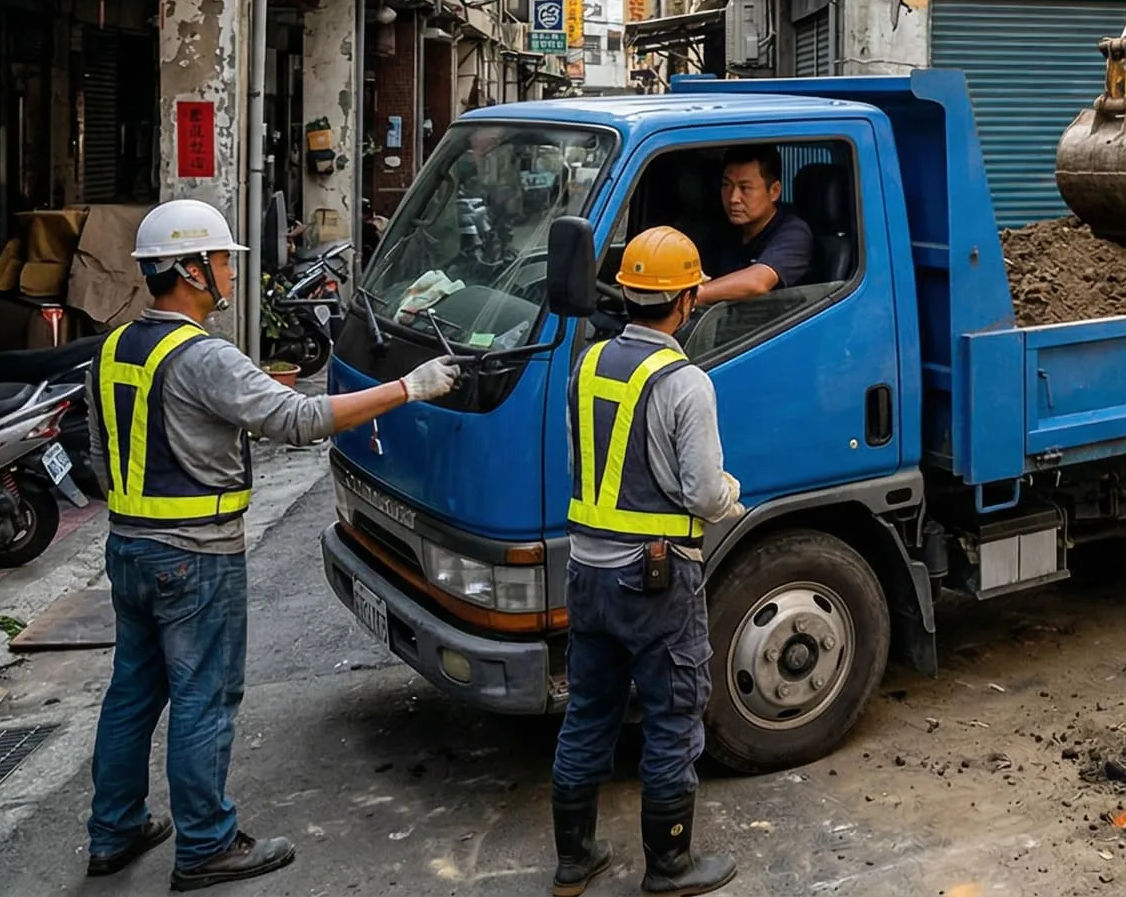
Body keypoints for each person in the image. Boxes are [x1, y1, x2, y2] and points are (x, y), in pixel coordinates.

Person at [86, 199, 459, 890]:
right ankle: (205, 845)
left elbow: (99, 453)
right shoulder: (203, 356)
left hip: (129, 547)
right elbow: (297, 418)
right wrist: (409, 387)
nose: (229, 272)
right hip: (195, 555)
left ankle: (114, 828)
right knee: (204, 697)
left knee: (134, 692)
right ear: (192, 271)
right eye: (223, 260)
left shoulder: (114, 347)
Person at [551, 226, 745, 897]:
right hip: (656, 577)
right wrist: (730, 497)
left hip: (586, 570)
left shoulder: (588, 364)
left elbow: (585, 464)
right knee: (670, 715)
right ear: (688, 300)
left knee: (589, 710)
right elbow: (700, 491)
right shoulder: (685, 383)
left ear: (629, 292)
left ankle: (574, 861)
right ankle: (669, 865)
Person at [690, 144, 812, 305]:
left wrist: (693, 297)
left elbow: (757, 282)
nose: (733, 198)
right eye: (726, 185)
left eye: (745, 188)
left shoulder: (794, 232)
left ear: (774, 191)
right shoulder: (726, 229)